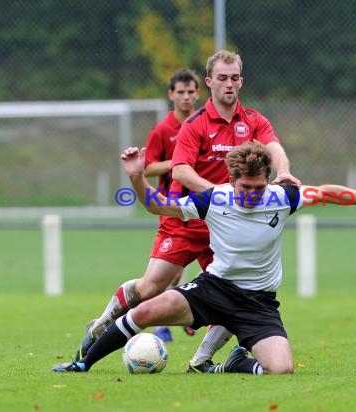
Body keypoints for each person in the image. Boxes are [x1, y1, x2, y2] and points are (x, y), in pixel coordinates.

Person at [52, 141, 356, 375]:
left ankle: (235, 363)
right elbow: (155, 205)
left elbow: (329, 193)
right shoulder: (214, 200)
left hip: (258, 303)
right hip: (213, 289)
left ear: (267, 181)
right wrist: (137, 179)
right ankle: (83, 363)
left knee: (282, 370)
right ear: (231, 180)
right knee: (144, 311)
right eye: (246, 189)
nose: (254, 195)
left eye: (259, 188)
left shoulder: (282, 197)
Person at [72, 51, 301, 367]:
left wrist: (284, 170)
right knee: (150, 287)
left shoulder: (254, 120)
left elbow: (274, 147)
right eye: (222, 78)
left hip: (226, 229)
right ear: (210, 82)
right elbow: (179, 171)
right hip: (187, 220)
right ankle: (102, 323)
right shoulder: (193, 125)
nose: (229, 84)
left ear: (241, 81)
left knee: (236, 292)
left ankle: (202, 359)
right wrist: (220, 198)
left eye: (234, 78)